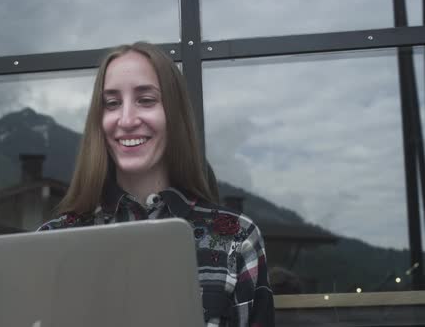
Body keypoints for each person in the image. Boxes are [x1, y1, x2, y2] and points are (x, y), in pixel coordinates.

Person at [38, 42, 274, 327]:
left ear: (173, 114)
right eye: (112, 103)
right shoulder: (50, 243)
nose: (126, 120)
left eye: (146, 100)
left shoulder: (237, 238)